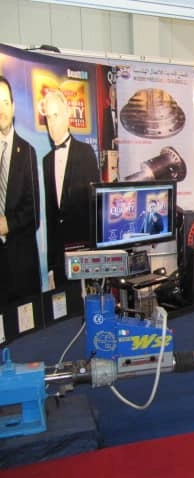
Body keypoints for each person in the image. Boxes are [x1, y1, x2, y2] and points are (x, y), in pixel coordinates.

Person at [42, 88, 100, 287]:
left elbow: (95, 208)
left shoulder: (86, 153)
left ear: (67, 115)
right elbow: (51, 217)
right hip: (59, 261)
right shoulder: (46, 161)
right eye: (48, 118)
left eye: (56, 115)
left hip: (83, 255)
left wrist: (94, 256)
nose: (52, 123)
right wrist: (51, 266)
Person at [0, 75, 41, 306]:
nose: (1, 110)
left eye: (5, 102)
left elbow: (34, 212)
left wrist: (8, 224)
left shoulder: (27, 152)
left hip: (21, 268)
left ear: (13, 107)